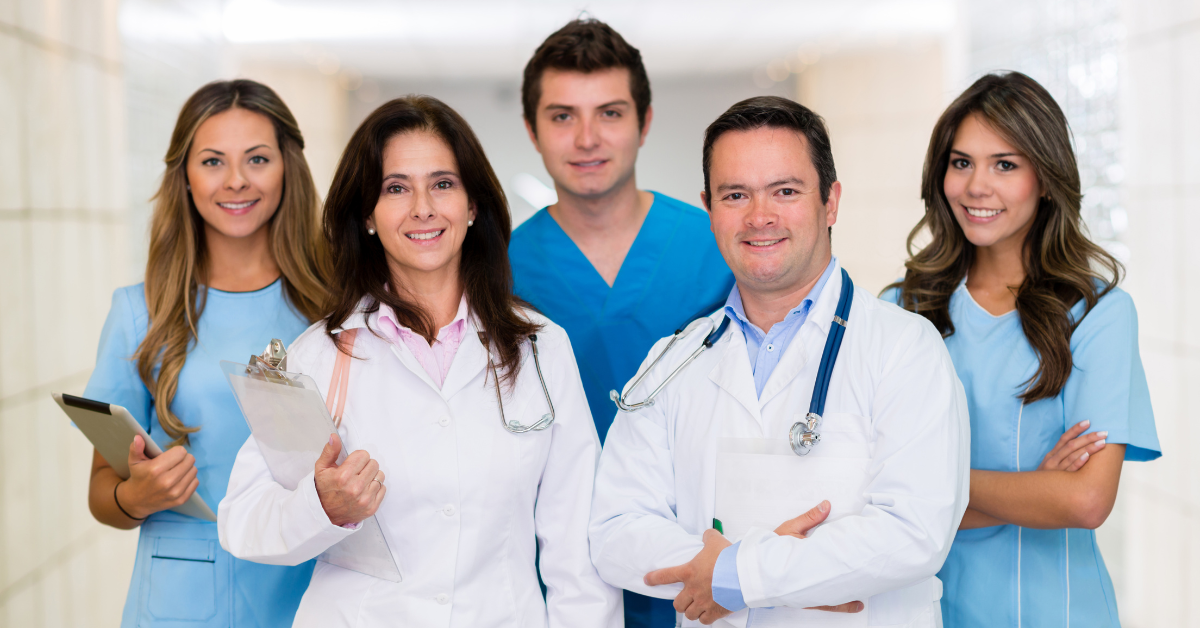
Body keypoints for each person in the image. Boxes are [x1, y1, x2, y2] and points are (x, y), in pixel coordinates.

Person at [218, 95, 622, 627]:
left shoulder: (541, 348)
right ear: (367, 214)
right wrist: (321, 506)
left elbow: (578, 554)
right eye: (395, 188)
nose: (423, 208)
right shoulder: (320, 352)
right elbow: (242, 521)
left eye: (443, 184)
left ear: (473, 205)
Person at [589, 96, 971, 627]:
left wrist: (740, 577)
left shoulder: (905, 348)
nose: (759, 216)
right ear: (709, 207)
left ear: (831, 202)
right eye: (735, 194)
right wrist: (754, 575)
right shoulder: (671, 361)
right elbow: (615, 529)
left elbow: (912, 532)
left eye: (785, 191)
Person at [883, 71, 1161, 627]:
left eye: (1004, 164)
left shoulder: (1099, 313)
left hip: (1058, 612)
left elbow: (1085, 502)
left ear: (1047, 177)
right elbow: (875, 496)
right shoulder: (902, 309)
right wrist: (1036, 485)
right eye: (961, 162)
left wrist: (934, 490)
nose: (975, 186)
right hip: (924, 611)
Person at [83, 79, 331, 627]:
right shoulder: (140, 313)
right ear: (186, 177)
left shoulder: (336, 306)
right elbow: (102, 494)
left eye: (258, 159)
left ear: (288, 168)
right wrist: (138, 496)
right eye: (214, 161)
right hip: (183, 600)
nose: (237, 180)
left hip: (312, 588)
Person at [509, 21, 733, 623]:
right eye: (562, 116)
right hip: (553, 564)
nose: (586, 138)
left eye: (609, 112)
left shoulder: (718, 246)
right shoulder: (496, 273)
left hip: (701, 550)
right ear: (532, 129)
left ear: (645, 121)